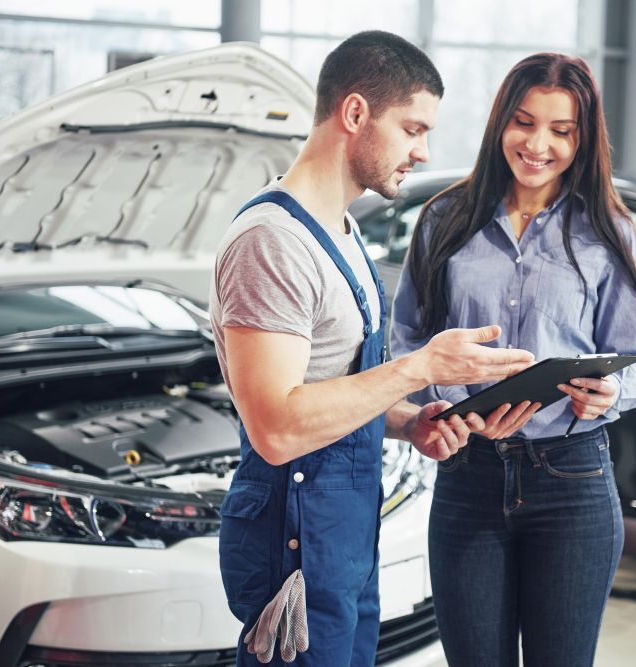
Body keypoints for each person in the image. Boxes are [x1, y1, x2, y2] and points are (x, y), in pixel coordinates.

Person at [208, 31, 535, 667]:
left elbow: (332, 382)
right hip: (293, 543)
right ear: (355, 113)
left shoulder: (346, 232)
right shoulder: (272, 243)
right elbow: (277, 427)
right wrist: (420, 367)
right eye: (412, 129)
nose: (423, 151)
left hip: (347, 536)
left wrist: (410, 422)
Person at [391, 52, 636, 666]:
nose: (538, 144)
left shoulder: (610, 230)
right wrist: (449, 409)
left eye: (561, 131)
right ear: (500, 127)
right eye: (524, 122)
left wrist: (610, 394)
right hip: (468, 477)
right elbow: (406, 344)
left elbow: (635, 361)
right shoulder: (444, 221)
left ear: (582, 139)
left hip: (572, 483)